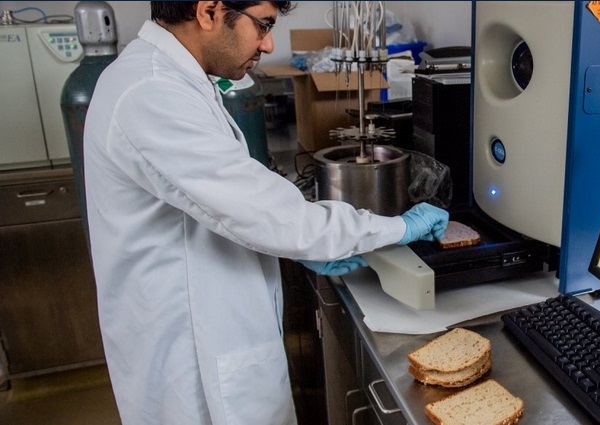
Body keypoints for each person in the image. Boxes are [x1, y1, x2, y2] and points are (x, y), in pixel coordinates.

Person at [82, 2, 448, 424]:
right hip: (191, 363)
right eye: (263, 25)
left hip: (207, 326)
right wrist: (397, 227)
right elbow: (267, 213)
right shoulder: (151, 92)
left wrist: (295, 245)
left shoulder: (172, 79)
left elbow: (226, 202)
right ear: (208, 11)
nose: (269, 43)